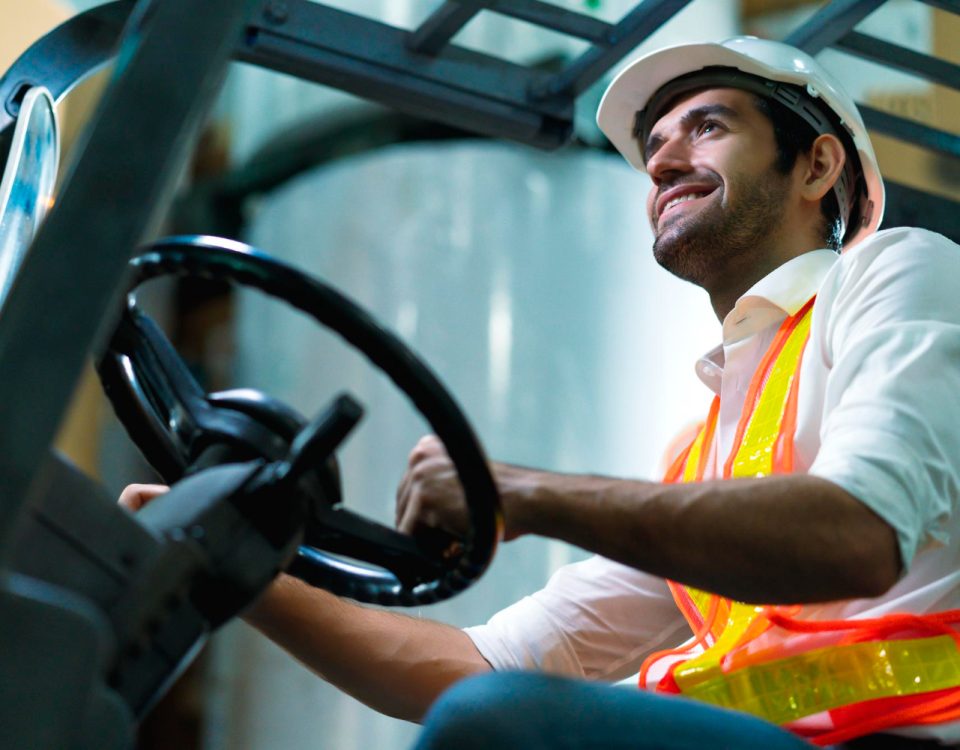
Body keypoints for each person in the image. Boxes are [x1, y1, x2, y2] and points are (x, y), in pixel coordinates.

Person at [122, 36, 960, 749]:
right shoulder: (710, 450)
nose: (664, 160)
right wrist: (229, 568)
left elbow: (860, 533)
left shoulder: (897, 272)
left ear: (817, 164)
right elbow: (471, 666)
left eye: (708, 127)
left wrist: (517, 493)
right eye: (657, 144)